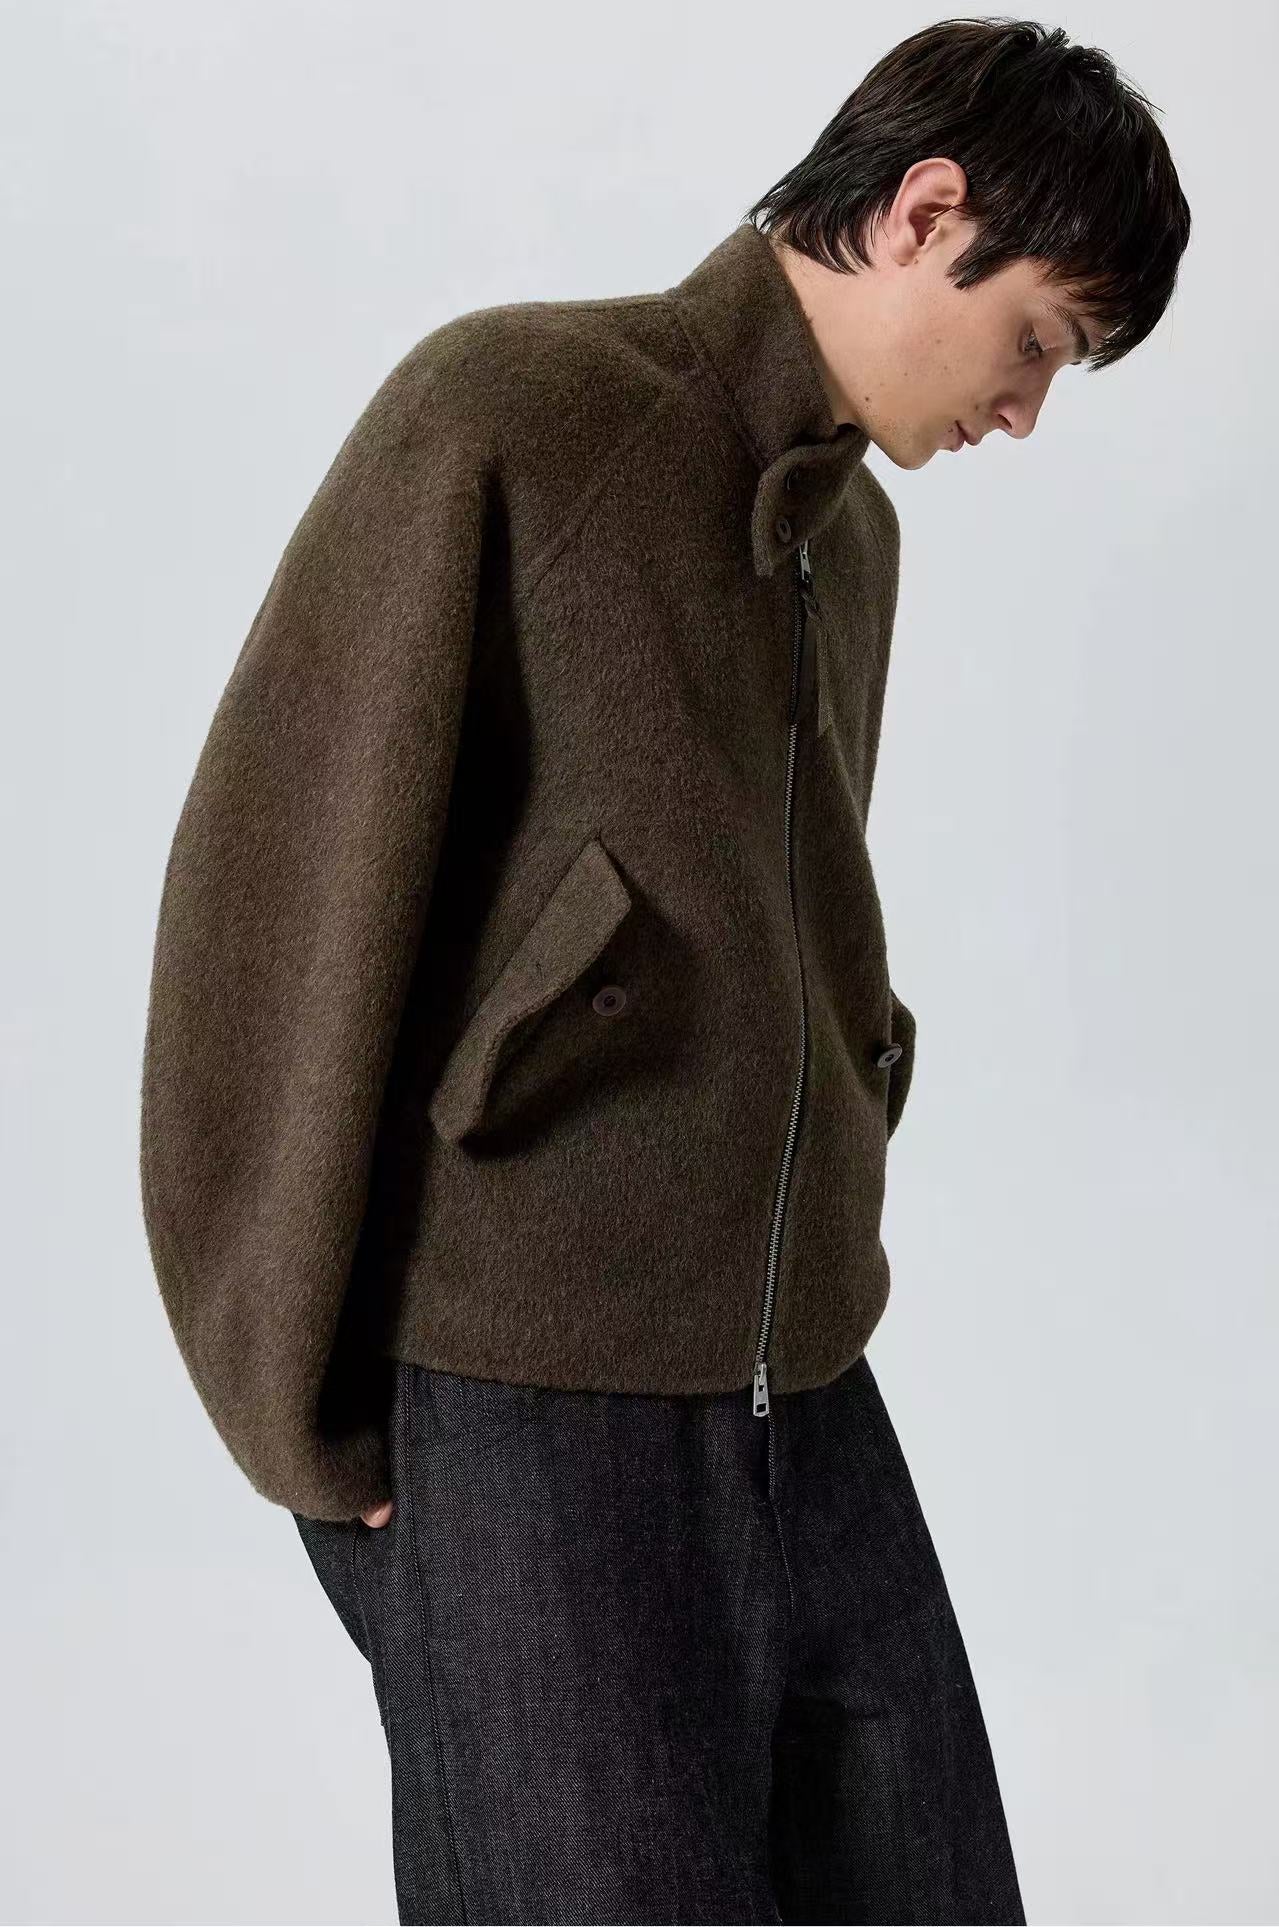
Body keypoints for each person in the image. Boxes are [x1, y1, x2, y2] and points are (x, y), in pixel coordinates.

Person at [139, 16, 1190, 1924]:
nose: (1030, 410)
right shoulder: (512, 413)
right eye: (1040, 337)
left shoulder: (853, 543)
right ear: (923, 211)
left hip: (809, 1385)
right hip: (531, 1403)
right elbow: (271, 910)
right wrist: (289, 1406)